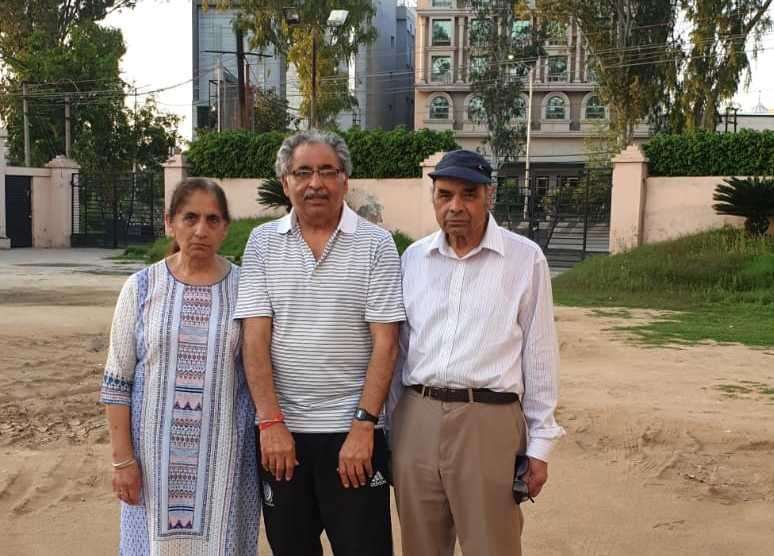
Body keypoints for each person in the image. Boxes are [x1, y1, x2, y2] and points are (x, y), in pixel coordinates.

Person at [234, 130, 404, 556]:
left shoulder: (377, 244)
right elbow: (255, 337)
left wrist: (364, 426)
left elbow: (386, 342)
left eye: (327, 171)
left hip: (355, 435)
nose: (316, 183)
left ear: (345, 180)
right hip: (283, 437)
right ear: (286, 181)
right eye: (303, 172)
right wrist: (271, 423)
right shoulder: (262, 243)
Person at [389, 150, 565, 556]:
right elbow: (400, 352)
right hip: (417, 417)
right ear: (433, 198)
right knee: (421, 545)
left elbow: (539, 356)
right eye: (445, 194)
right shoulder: (413, 259)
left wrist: (539, 445)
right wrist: (391, 428)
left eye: (469, 194)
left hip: (489, 422)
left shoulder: (524, 259)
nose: (456, 206)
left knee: (492, 546)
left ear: (489, 195)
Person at [101, 178, 260, 555]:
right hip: (152, 465)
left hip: (224, 465)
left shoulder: (246, 289)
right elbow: (116, 381)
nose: (201, 230)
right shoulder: (141, 288)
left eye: (212, 219)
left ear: (225, 228)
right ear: (169, 223)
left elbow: (258, 374)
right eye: (190, 218)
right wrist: (123, 460)